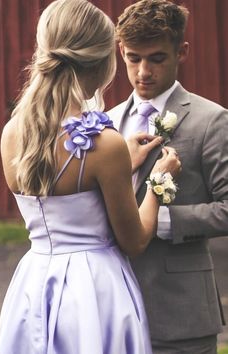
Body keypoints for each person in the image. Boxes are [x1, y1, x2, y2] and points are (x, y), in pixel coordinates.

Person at [0, 1, 181, 353]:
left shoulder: (12, 133)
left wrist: (121, 160)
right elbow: (135, 240)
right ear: (101, 63)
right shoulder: (105, 146)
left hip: (33, 284)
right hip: (93, 292)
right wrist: (157, 182)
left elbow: (60, 195)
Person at [107, 0, 228, 353]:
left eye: (156, 58)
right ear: (120, 52)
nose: (143, 71)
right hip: (112, 304)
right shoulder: (107, 122)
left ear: (182, 52)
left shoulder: (212, 120)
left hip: (180, 311)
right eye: (133, 58)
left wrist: (159, 221)